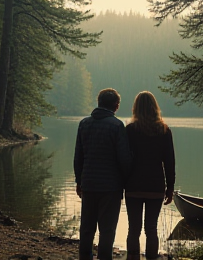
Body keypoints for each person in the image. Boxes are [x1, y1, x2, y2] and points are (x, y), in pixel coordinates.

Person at [73, 88, 132, 260]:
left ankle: (85, 257)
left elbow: (78, 157)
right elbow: (124, 159)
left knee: (87, 228)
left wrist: (79, 181)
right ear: (116, 106)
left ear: (99, 103)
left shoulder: (84, 123)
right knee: (107, 230)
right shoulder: (117, 126)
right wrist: (125, 180)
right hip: (110, 188)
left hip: (89, 184)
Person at [125, 91, 176, 260]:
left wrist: (121, 183)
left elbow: (124, 159)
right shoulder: (164, 130)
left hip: (133, 186)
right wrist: (170, 188)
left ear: (136, 108)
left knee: (134, 228)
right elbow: (169, 162)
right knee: (151, 228)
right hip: (156, 186)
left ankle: (132, 258)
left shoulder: (130, 130)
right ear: (155, 107)